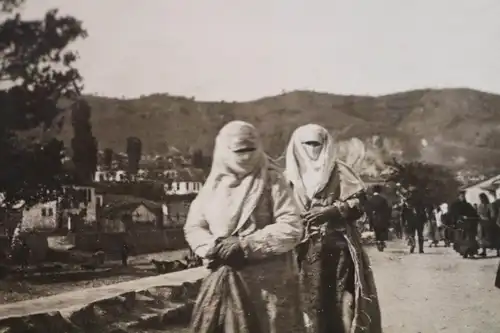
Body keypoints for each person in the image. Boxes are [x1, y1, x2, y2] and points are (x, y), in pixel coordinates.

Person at [184, 121, 305, 333]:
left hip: (268, 286)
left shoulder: (272, 181)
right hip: (223, 280)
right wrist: (214, 246)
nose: (246, 156)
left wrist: (245, 244)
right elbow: (194, 226)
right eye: (240, 151)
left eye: (251, 150)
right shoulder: (213, 187)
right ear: (224, 151)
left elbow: (292, 226)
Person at [285, 124, 382, 333]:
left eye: (316, 144)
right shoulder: (287, 177)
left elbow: (358, 203)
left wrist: (331, 211)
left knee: (338, 305)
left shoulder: (339, 171)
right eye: (307, 144)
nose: (312, 149)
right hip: (298, 251)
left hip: (336, 250)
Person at [449, 191, 479, 258]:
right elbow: (452, 214)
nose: (463, 197)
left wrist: (474, 215)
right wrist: (460, 217)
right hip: (460, 225)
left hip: (468, 224)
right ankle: (464, 252)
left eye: (464, 196)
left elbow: (473, 213)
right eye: (462, 196)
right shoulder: (455, 205)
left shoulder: (467, 205)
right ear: (458, 196)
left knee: (470, 239)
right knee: (462, 240)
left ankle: (471, 253)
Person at [367, 185, 392, 251]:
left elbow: (368, 210)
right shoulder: (383, 199)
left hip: (374, 218)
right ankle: (381, 241)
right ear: (380, 191)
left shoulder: (370, 200)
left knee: (376, 230)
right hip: (382, 217)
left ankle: (378, 241)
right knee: (382, 230)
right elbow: (387, 210)